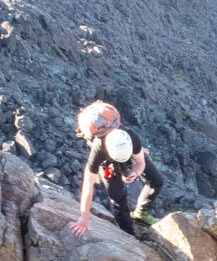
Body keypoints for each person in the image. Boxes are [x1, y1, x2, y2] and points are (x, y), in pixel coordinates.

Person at [70, 100, 164, 238]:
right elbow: (88, 185)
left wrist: (135, 172)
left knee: (156, 181)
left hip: (130, 151)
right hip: (107, 164)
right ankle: (129, 236)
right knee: (118, 201)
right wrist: (84, 218)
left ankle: (141, 212)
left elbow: (140, 161)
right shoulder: (98, 149)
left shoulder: (130, 137)